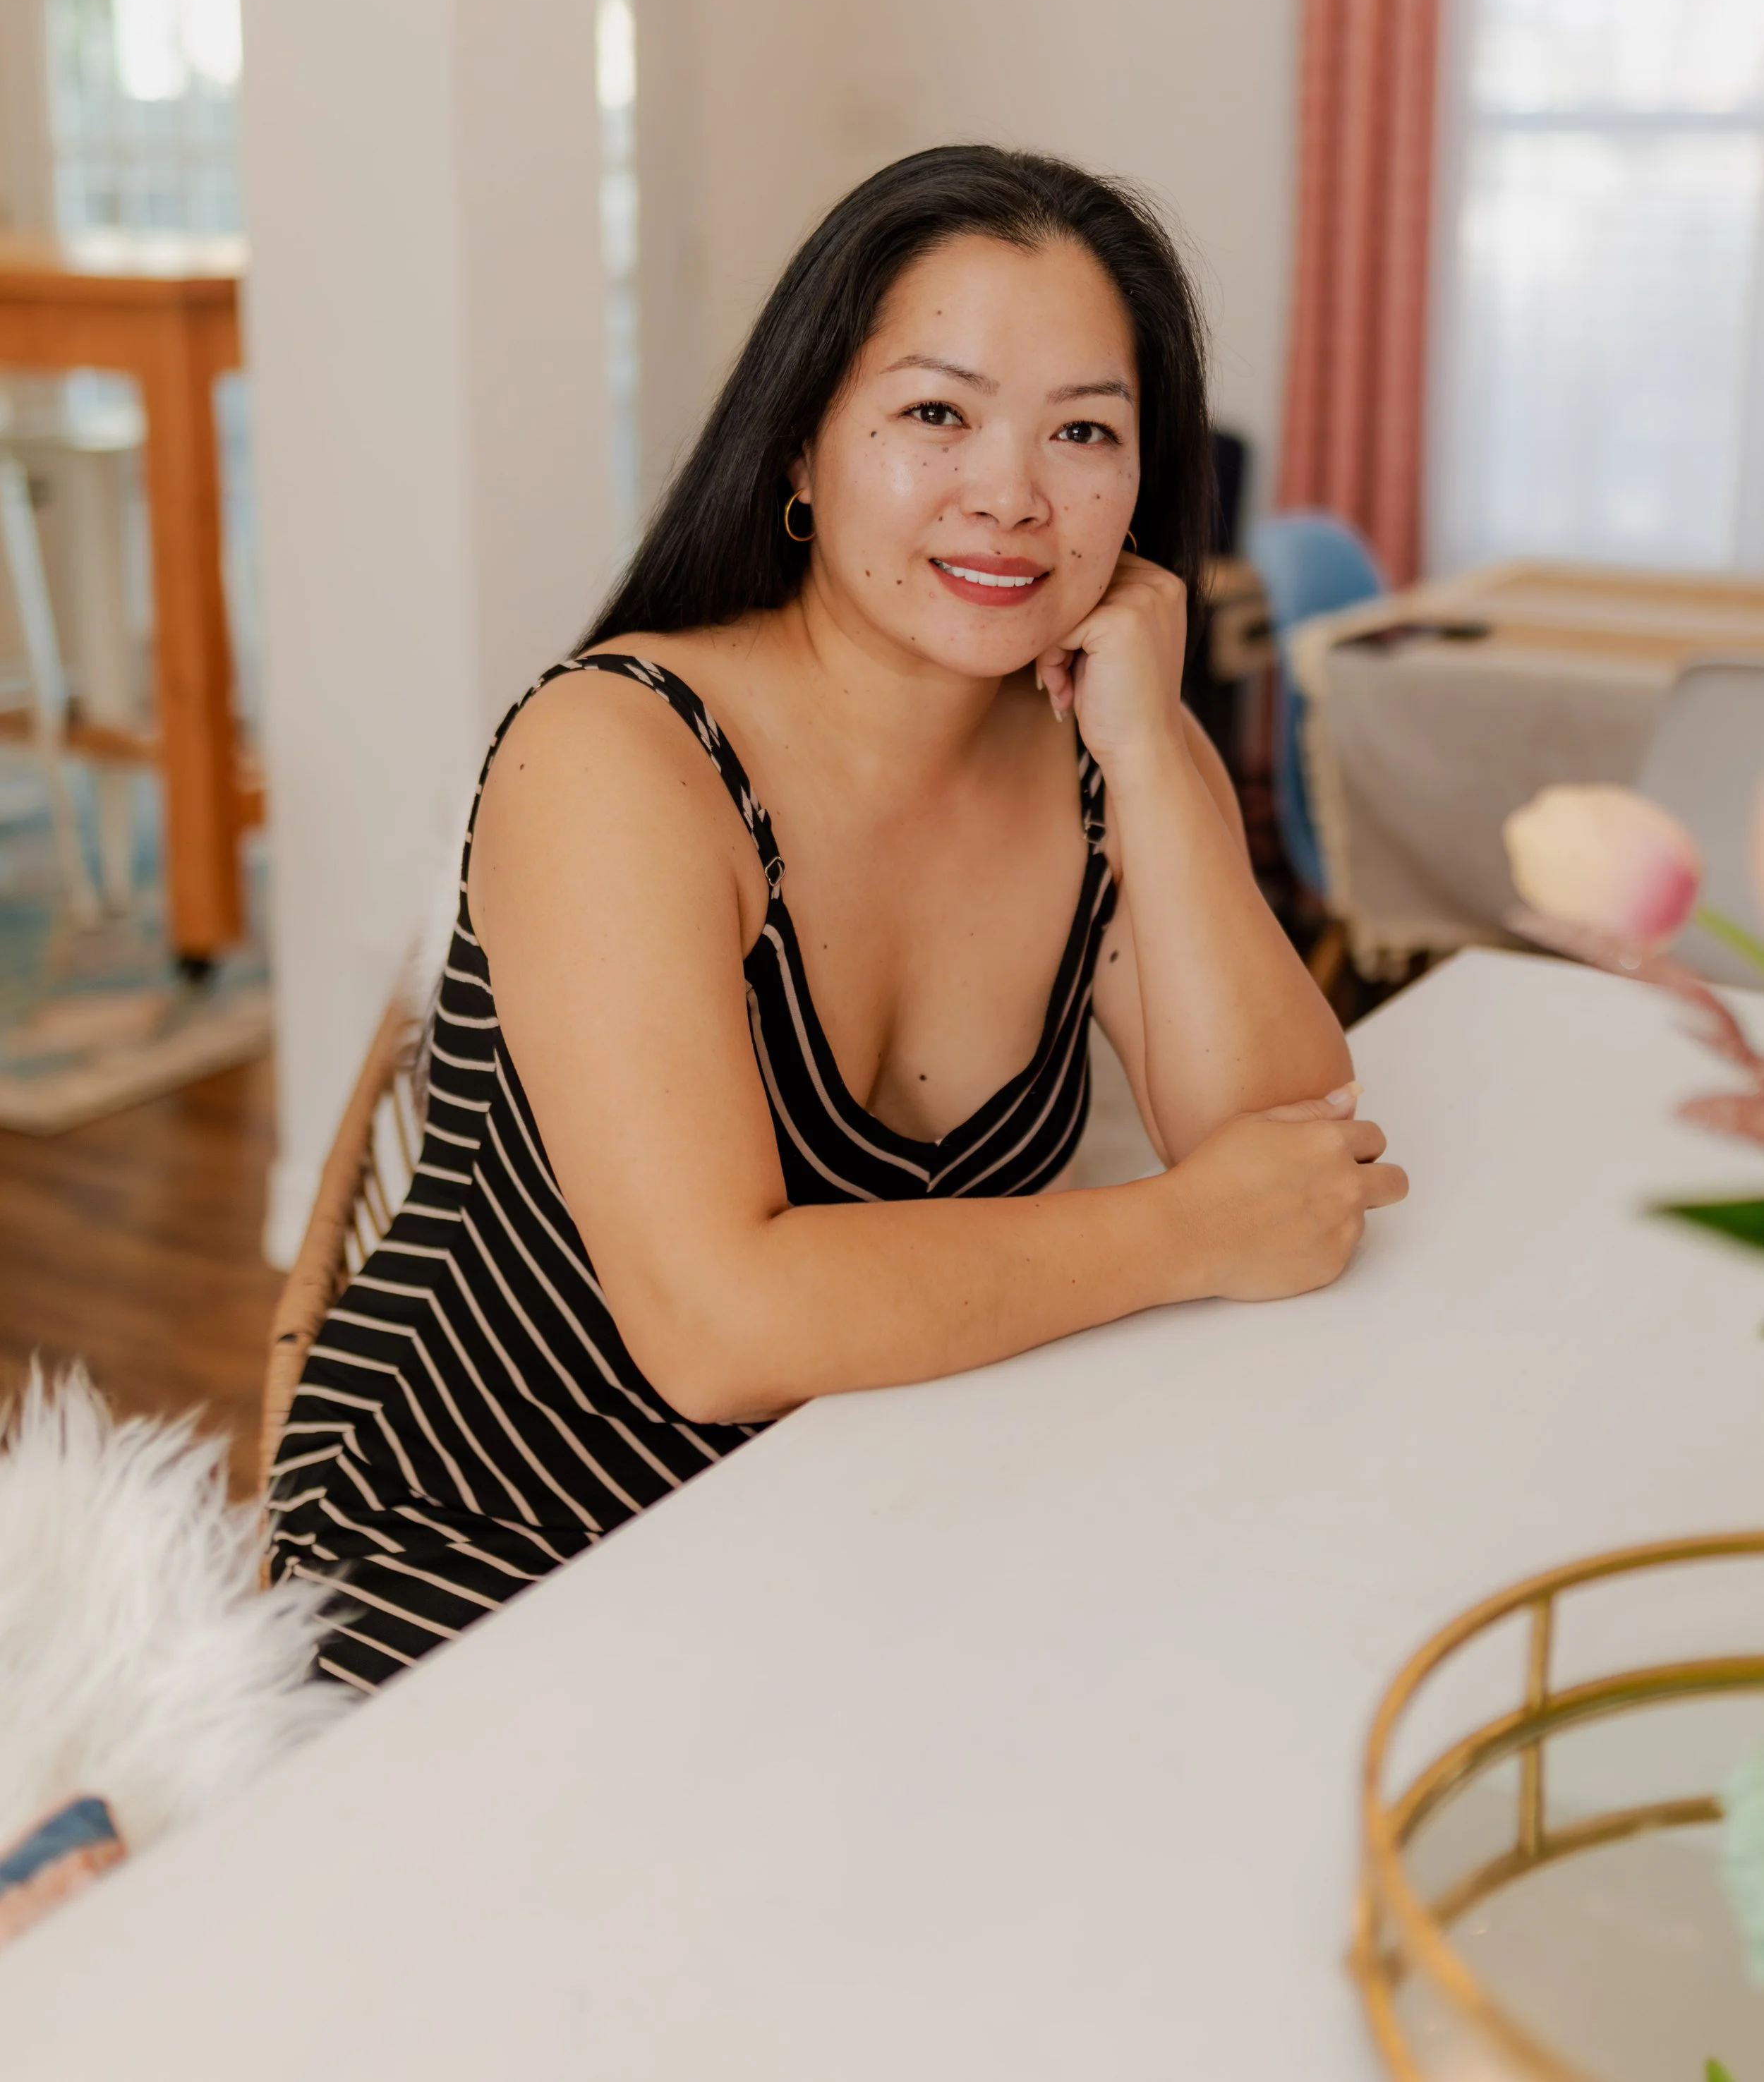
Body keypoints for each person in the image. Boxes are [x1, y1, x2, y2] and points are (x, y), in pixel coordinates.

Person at [267, 145, 1406, 1690]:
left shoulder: (1105, 744)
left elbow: (1286, 1158)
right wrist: (1179, 1231)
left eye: (1083, 430)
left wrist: (1149, 748)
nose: (1011, 496)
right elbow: (716, 1327)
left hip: (876, 1499)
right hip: (500, 1524)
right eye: (936, 414)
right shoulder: (618, 754)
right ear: (799, 450)